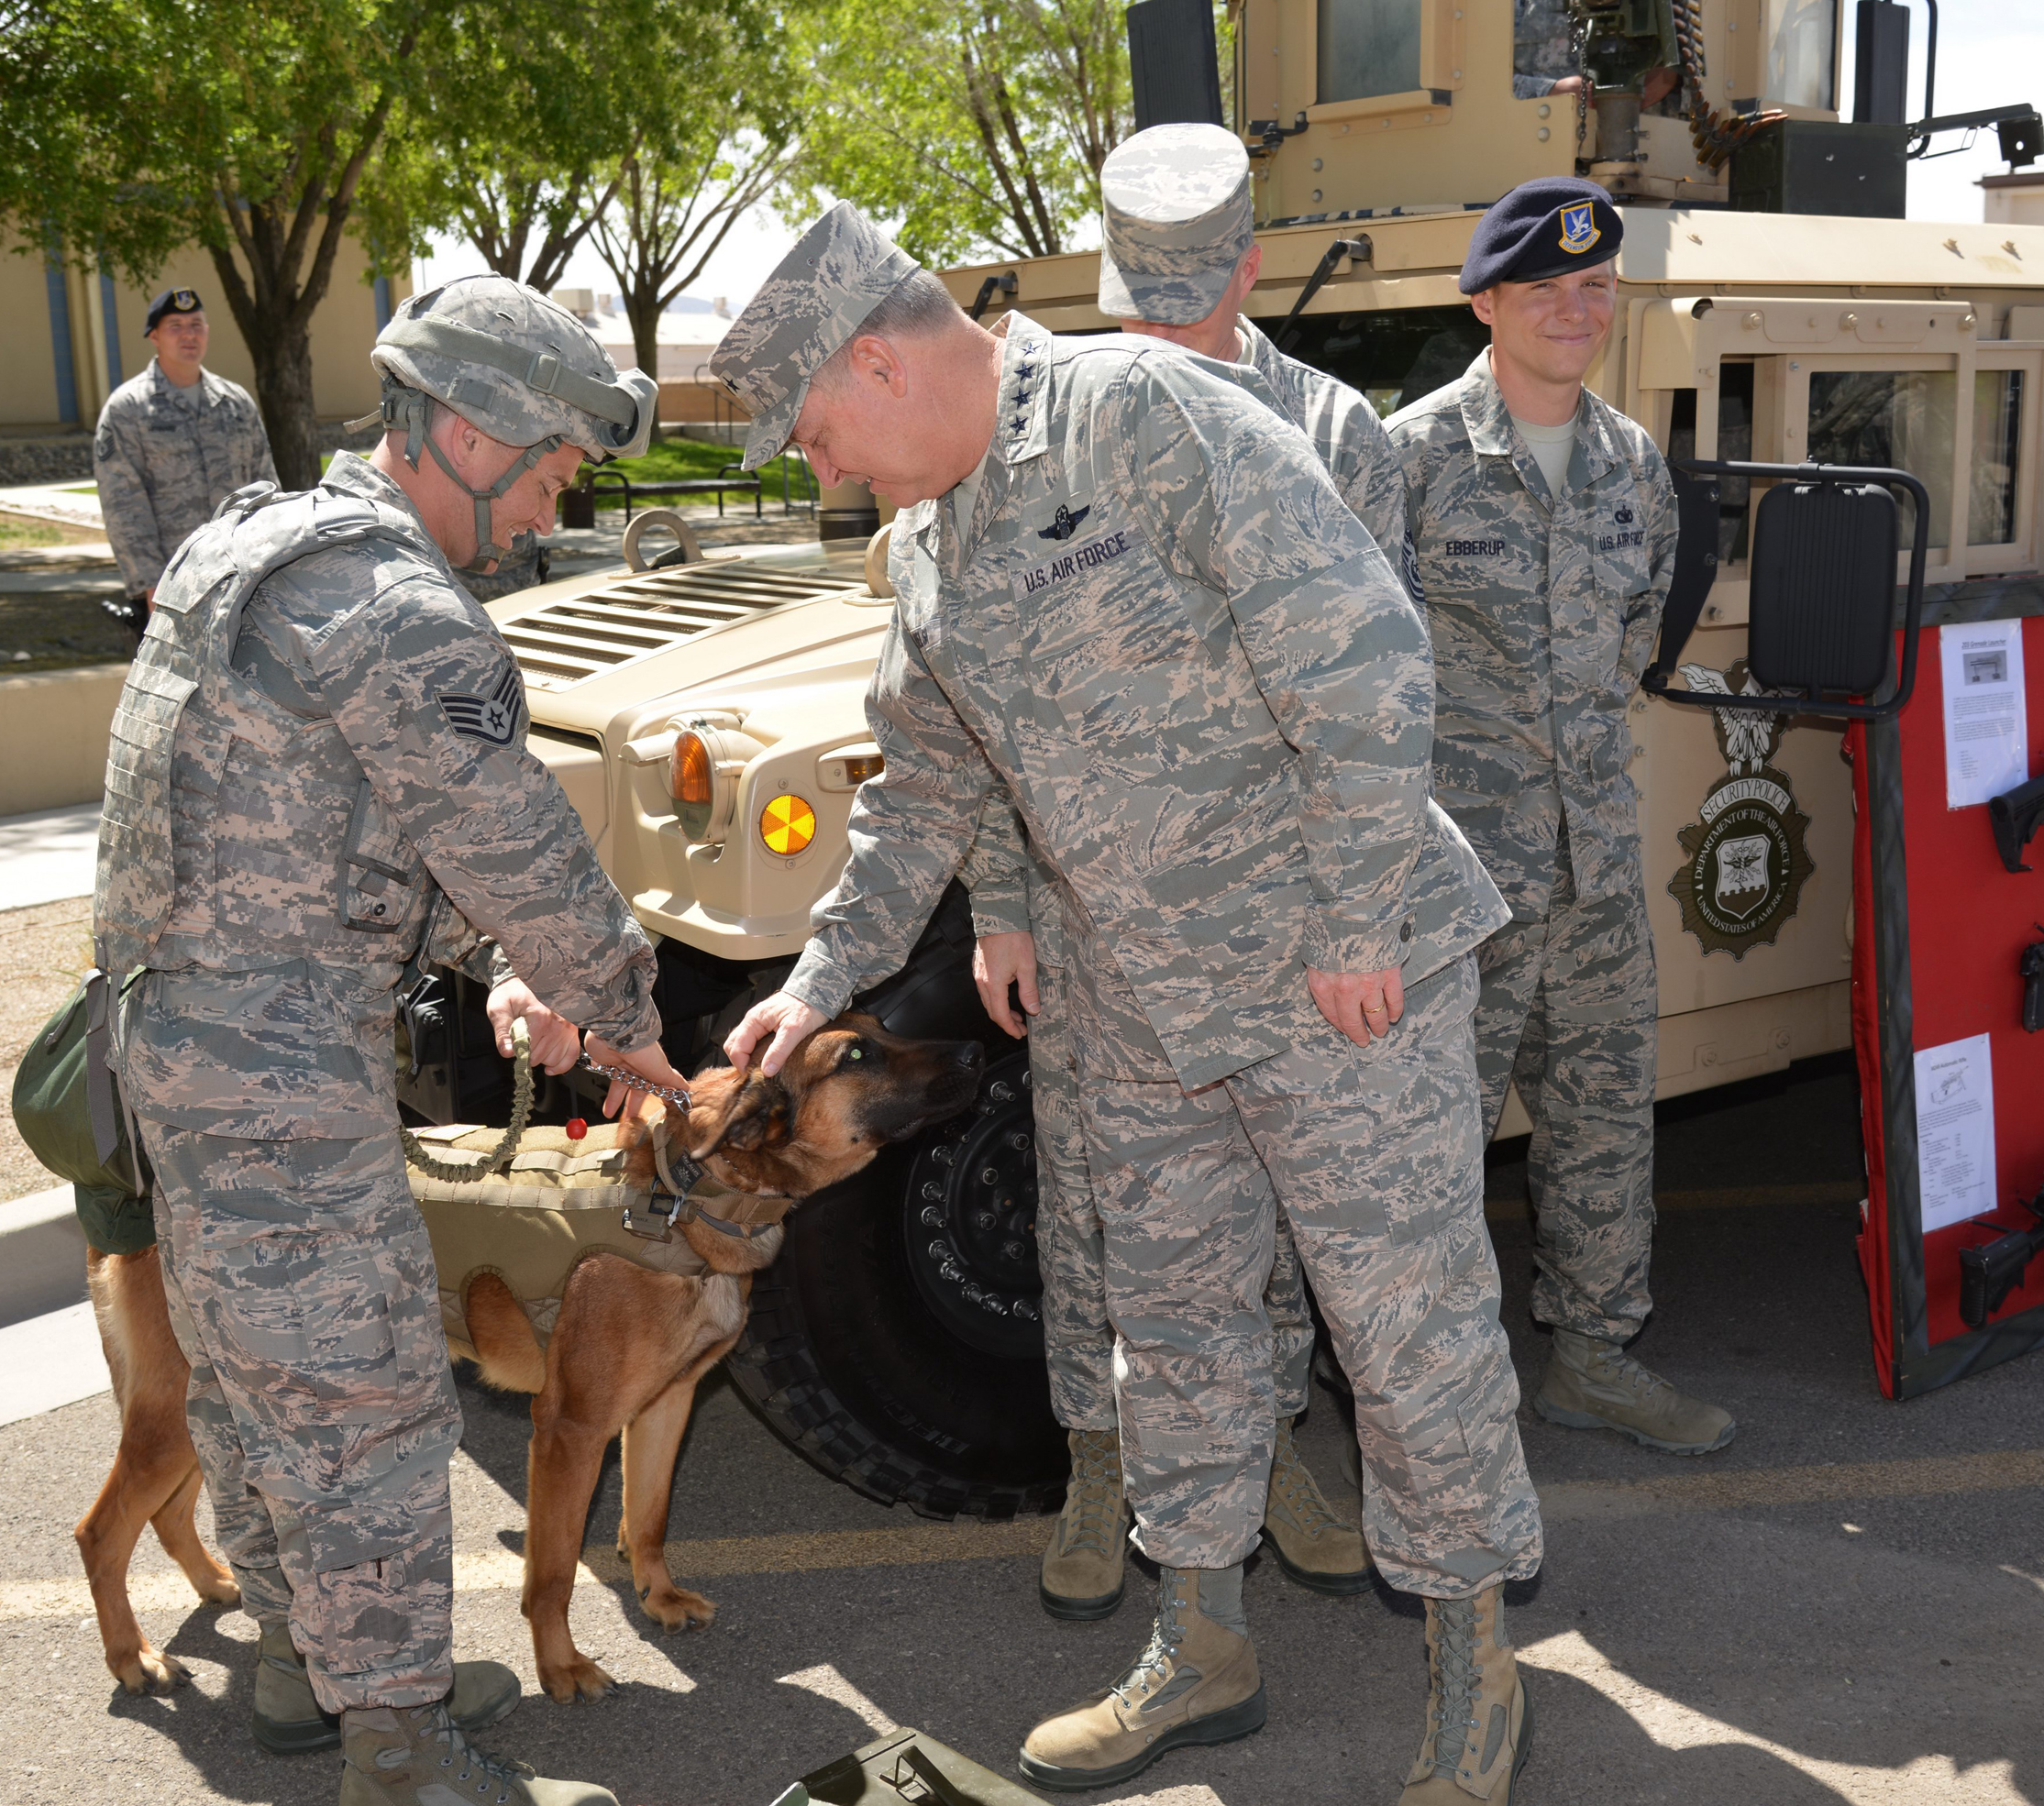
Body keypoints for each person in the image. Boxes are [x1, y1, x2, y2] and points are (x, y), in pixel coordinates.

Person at [713, 202, 1542, 1804]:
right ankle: (1203, 1641)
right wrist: (814, 989)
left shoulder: (1139, 415)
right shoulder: (939, 537)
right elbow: (920, 793)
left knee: (1403, 1331)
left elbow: (1364, 655)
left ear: (879, 363)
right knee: (1170, 1337)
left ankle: (1474, 1670)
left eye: (817, 434)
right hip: (1144, 999)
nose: (822, 473)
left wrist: (1363, 914)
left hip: (1332, 974)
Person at [95, 274, 673, 1806]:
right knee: (361, 1400)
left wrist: (477, 962)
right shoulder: (406, 610)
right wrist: (632, 1027)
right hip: (280, 1064)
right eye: (550, 466)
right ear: (470, 434)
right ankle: (399, 1743)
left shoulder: (254, 540)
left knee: (250, 1380)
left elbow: (308, 812)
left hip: (181, 1043)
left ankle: (307, 1674)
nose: (554, 503)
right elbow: (527, 852)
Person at [959, 122, 1420, 1623]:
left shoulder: (1342, 434)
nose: (1158, 313)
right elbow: (982, 686)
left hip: (1274, 912)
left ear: (1248, 267)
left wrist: (1359, 914)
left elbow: (1375, 690)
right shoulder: (1039, 428)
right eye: (1136, 285)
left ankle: (1271, 1449)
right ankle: (1103, 1465)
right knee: (1095, 1203)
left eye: (1185, 284)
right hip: (1089, 909)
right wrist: (1000, 901)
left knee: (1273, 1204)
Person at [1386, 178, 1736, 1457]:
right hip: (1452, 886)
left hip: (1595, 868)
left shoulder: (1632, 462)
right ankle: (1425, 1401)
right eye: (1546, 288)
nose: (1577, 311)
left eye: (1597, 287)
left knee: (1603, 1123)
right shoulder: (1408, 458)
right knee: (1425, 1153)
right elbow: (1352, 671)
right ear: (1486, 303)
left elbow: (1637, 633)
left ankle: (1593, 1356)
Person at [92, 287, 278, 633]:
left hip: (244, 579)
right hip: (173, 585)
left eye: (196, 324)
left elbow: (268, 491)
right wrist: (152, 590)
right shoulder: (127, 410)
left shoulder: (235, 403)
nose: (189, 334)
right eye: (175, 326)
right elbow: (124, 509)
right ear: (154, 336)